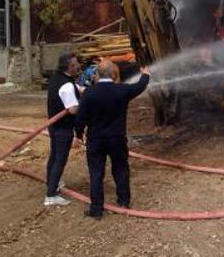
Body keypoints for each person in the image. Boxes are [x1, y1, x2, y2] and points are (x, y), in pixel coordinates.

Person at [75, 59, 150, 219]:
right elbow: (140, 86)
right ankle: (123, 202)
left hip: (95, 139)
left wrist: (79, 134)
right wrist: (145, 75)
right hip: (117, 139)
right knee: (121, 169)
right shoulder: (122, 90)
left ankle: (96, 210)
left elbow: (80, 118)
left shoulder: (89, 92)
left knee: (96, 173)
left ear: (97, 74)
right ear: (114, 74)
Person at [44, 52, 82, 206]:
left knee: (54, 157)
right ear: (70, 66)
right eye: (76, 64)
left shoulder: (56, 77)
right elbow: (73, 109)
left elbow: (69, 89)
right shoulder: (67, 86)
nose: (78, 66)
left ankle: (52, 183)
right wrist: (86, 103)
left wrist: (80, 89)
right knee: (60, 159)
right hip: (63, 129)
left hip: (54, 126)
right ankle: (51, 195)